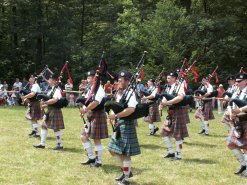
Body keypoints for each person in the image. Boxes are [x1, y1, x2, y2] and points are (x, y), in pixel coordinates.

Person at [108, 70, 139, 185]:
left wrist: (115, 116)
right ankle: (126, 171)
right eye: (118, 80)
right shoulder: (118, 92)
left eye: (121, 80)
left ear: (127, 81)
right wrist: (112, 115)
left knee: (126, 153)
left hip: (127, 124)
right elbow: (115, 106)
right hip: (119, 123)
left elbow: (131, 109)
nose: (119, 82)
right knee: (112, 149)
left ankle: (126, 179)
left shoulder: (131, 93)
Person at [80, 70, 108, 167]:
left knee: (96, 139)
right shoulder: (90, 89)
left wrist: (85, 109)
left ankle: (98, 161)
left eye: (89, 78)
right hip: (90, 114)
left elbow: (96, 102)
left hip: (98, 115)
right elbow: (87, 101)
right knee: (83, 135)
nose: (88, 80)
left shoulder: (99, 89)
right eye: (87, 78)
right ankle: (91, 157)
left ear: (95, 78)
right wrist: (83, 110)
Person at [159, 72, 189, 160]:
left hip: (178, 111)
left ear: (174, 78)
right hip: (171, 112)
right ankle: (170, 152)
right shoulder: (169, 87)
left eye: (169, 78)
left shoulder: (179, 86)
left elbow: (180, 98)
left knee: (178, 135)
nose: (167, 80)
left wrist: (167, 103)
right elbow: (165, 97)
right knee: (164, 132)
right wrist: (161, 104)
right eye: (167, 78)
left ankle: (179, 155)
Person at [34, 75, 65, 150]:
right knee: (44, 125)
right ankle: (42, 144)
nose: (48, 81)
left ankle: (60, 144)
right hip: (50, 110)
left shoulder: (57, 90)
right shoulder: (52, 89)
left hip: (55, 110)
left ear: (54, 81)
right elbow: (49, 99)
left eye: (50, 80)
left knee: (56, 128)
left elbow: (55, 100)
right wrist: (44, 104)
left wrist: (45, 103)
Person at [226, 73, 247, 177]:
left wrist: (239, 110)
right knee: (230, 143)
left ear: (245, 81)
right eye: (236, 81)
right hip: (237, 122)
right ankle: (244, 164)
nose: (236, 83)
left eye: (239, 81)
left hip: (246, 120)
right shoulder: (236, 91)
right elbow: (230, 103)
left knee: (246, 147)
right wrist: (230, 113)